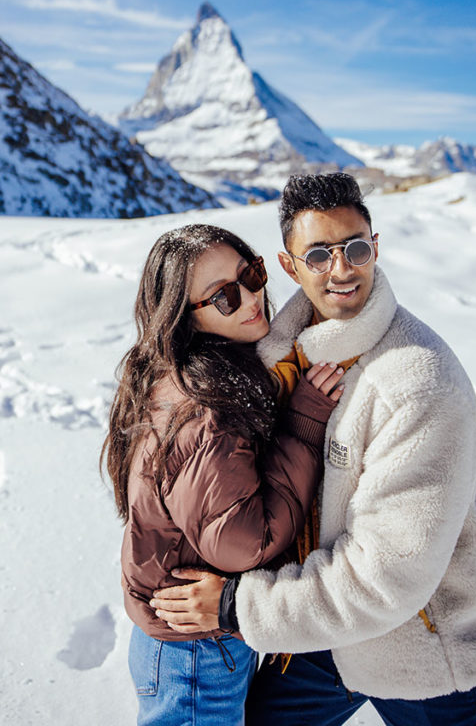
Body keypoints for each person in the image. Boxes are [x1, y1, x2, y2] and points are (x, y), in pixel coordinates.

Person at [150, 174, 476, 726]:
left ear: (376, 248)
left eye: (356, 248)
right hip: (320, 629)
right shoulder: (278, 356)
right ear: (288, 266)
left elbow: (389, 575)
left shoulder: (418, 381)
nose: (342, 269)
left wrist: (236, 606)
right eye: (318, 254)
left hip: (423, 645)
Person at [102, 223, 344, 726]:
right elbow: (241, 542)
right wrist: (303, 424)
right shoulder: (206, 407)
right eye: (223, 297)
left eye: (251, 274)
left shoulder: (185, 373)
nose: (252, 296)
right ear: (183, 317)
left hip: (182, 643)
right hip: (196, 653)